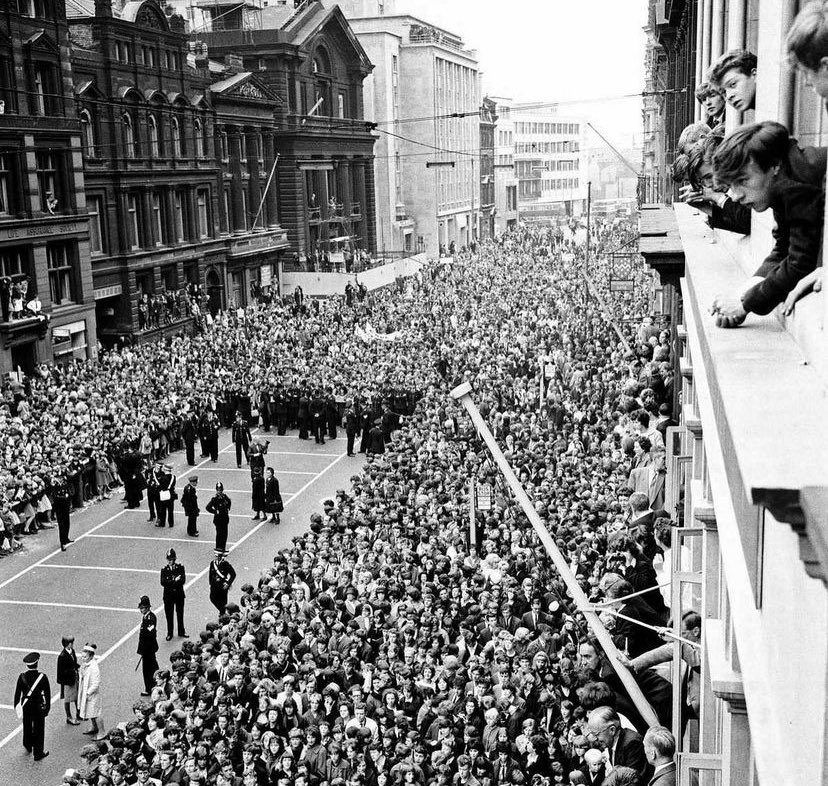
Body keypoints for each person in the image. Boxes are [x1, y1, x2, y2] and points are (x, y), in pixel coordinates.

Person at [710, 121, 824, 325]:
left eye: (743, 181)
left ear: (774, 166)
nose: (735, 196)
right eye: (731, 185)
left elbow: (800, 264)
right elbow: (783, 250)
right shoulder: (785, 178)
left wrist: (745, 305)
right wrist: (743, 294)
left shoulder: (797, 185)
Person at [586, 707, 650, 783]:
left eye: (596, 734)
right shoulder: (610, 741)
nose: (594, 739)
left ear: (612, 730)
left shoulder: (632, 744)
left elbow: (632, 782)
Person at [13, 650, 51, 760]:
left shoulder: (22, 677)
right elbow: (47, 694)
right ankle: (38, 753)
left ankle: (28, 745)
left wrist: (17, 707)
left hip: (26, 706)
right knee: (39, 729)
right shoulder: (42, 677)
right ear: (37, 663)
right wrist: (47, 709)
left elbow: (17, 694)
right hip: (38, 706)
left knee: (27, 725)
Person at [160, 547, 188, 641]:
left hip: (179, 595)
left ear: (174, 559)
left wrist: (171, 582)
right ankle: (170, 633)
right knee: (169, 615)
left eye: (171, 559)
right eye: (168, 559)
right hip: (168, 596)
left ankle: (181, 631)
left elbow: (183, 580)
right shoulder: (164, 569)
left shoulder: (180, 567)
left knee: (180, 613)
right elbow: (163, 582)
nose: (169, 561)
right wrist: (174, 580)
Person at [78, 643, 103, 740]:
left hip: (91, 694)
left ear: (91, 656)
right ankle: (94, 727)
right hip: (85, 692)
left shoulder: (94, 667)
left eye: (85, 657)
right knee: (90, 712)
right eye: (82, 656)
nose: (83, 659)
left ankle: (102, 732)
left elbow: (96, 683)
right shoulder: (85, 664)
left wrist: (88, 693)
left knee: (96, 714)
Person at [137, 595, 159, 697]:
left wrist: (145, 649)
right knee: (152, 666)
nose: (141, 610)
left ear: (147, 608)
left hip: (148, 648)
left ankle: (149, 688)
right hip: (147, 648)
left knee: (147, 669)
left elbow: (150, 634)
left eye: (143, 608)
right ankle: (154, 684)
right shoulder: (146, 617)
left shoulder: (150, 618)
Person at [57, 635, 81, 725]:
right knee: (67, 699)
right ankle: (69, 717)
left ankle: (78, 713)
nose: (72, 644)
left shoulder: (72, 651)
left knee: (76, 696)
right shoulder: (62, 656)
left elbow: (74, 663)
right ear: (67, 644)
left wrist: (79, 667)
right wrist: (72, 671)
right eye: (71, 643)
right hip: (67, 681)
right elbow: (61, 671)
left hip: (74, 678)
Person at [206, 482, 232, 552]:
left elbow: (229, 502)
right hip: (218, 519)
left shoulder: (225, 497)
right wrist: (215, 511)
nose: (219, 491)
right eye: (218, 490)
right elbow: (208, 507)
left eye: (220, 490)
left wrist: (228, 508)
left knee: (225, 534)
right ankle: (218, 548)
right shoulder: (215, 499)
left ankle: (223, 548)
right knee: (219, 534)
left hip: (225, 518)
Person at [209, 549, 236, 614]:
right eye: (215, 556)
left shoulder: (225, 564)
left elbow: (233, 574)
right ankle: (222, 611)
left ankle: (222, 614)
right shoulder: (212, 563)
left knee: (223, 602)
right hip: (214, 586)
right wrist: (210, 583)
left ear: (221, 556)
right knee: (212, 598)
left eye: (218, 556)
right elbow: (210, 574)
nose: (216, 557)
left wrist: (228, 583)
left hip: (222, 586)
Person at [52, 470, 74, 551]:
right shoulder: (55, 486)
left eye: (61, 477)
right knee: (61, 525)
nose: (60, 479)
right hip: (59, 507)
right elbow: (55, 496)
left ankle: (66, 538)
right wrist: (63, 497)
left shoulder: (65, 484)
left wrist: (68, 498)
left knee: (67, 523)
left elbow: (69, 492)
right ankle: (62, 543)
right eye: (59, 478)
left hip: (65, 505)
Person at [155, 463, 176, 528]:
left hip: (164, 495)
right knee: (170, 510)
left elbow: (160, 486)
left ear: (166, 470)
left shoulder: (162, 478)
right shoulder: (173, 477)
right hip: (171, 494)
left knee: (163, 510)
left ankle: (162, 523)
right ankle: (171, 523)